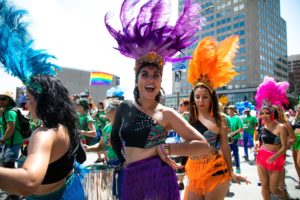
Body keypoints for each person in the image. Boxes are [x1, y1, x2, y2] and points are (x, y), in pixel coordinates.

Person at [105, 0, 211, 199]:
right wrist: (123, 162)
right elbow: (114, 138)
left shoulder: (166, 113)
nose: (150, 80)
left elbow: (203, 145)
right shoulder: (125, 107)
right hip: (129, 178)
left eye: (156, 75)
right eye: (145, 74)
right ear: (136, 80)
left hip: (159, 178)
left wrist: (168, 148)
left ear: (161, 80)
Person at [0, 2, 85, 199]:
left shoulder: (45, 134)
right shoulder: (64, 125)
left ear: (44, 100)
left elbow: (29, 181)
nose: (27, 105)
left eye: (29, 99)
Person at [184, 36, 250, 199]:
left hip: (215, 169)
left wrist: (231, 171)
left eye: (205, 97)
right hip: (193, 169)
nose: (200, 101)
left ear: (211, 97)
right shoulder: (187, 118)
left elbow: (225, 147)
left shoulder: (220, 118)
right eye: (197, 97)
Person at [254, 76, 288, 200]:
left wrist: (274, 156)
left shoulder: (281, 127)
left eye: (267, 113)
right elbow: (260, 141)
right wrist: (257, 146)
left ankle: (284, 196)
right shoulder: (262, 127)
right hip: (262, 157)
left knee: (274, 189)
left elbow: (285, 147)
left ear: (273, 114)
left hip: (276, 158)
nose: (264, 116)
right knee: (264, 186)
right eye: (262, 113)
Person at [85, 100, 123, 198]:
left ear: (117, 110)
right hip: (111, 164)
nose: (106, 109)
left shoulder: (125, 127)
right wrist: (88, 148)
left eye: (109, 107)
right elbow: (101, 146)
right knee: (113, 193)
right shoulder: (107, 128)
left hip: (124, 164)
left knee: (124, 193)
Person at [227, 105, 243, 173]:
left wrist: (233, 133)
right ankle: (228, 168)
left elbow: (241, 129)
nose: (229, 111)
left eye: (231, 109)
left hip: (234, 138)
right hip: (227, 138)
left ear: (233, 111)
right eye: (228, 109)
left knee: (235, 153)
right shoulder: (226, 118)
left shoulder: (237, 118)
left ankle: (237, 167)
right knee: (227, 154)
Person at [292, 104, 300, 189]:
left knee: (299, 161)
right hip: (294, 140)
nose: (298, 109)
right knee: (295, 163)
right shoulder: (296, 118)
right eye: (298, 107)